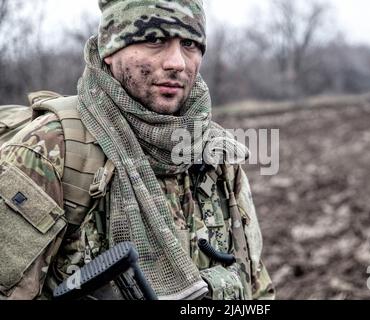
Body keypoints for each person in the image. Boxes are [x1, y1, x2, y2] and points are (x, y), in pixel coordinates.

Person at [0, 0, 274, 300]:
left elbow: (256, 290)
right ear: (110, 50)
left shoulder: (215, 155)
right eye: (155, 40)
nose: (177, 63)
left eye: (190, 44)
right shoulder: (50, 149)